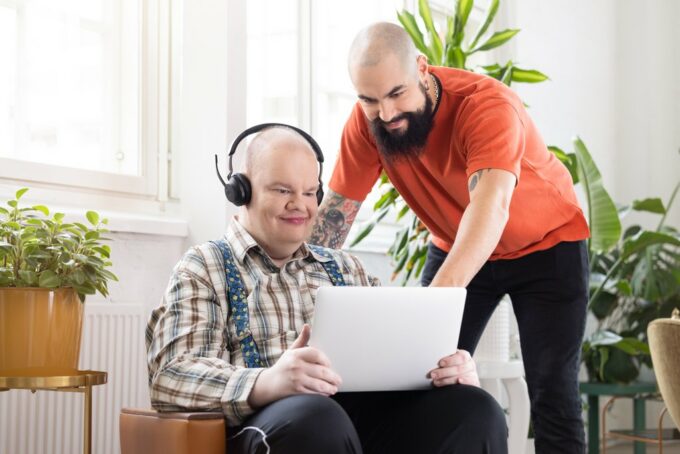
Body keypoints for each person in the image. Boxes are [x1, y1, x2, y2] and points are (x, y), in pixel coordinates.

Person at [309, 22, 590, 453]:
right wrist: (293, 281)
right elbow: (335, 219)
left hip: (548, 247)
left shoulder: (487, 106)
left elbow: (490, 209)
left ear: (422, 69)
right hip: (453, 242)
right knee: (420, 375)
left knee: (552, 389)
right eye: (370, 100)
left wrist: (431, 308)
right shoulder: (366, 125)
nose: (385, 113)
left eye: (396, 94)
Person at [146, 125, 507, 454]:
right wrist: (268, 382)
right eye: (282, 190)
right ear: (241, 191)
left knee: (475, 409)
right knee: (317, 418)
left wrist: (445, 370)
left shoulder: (347, 267)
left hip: (356, 420)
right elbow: (172, 377)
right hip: (268, 425)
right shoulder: (205, 266)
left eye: (309, 192)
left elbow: (396, 357)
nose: (299, 205)